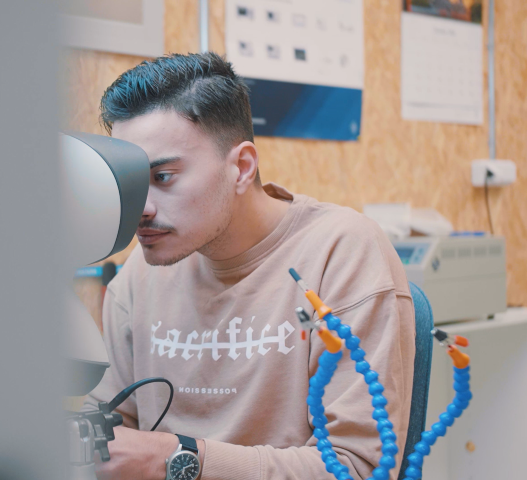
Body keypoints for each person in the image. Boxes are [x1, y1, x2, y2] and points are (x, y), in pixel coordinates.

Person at [82, 52, 415, 480]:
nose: (140, 208)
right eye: (130, 181)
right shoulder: (137, 276)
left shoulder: (343, 253)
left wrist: (178, 458)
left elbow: (358, 467)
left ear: (241, 167)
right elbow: (110, 438)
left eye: (162, 177)